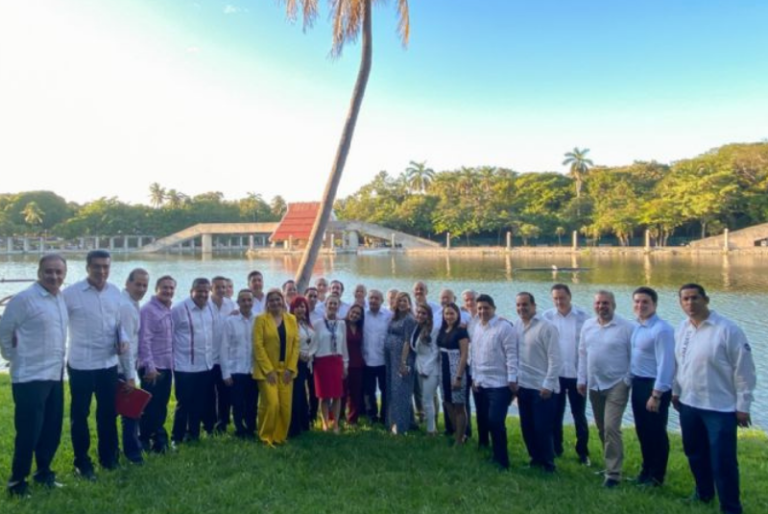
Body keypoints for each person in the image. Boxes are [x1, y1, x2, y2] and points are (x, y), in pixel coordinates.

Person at [673, 284, 756, 514]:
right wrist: (676, 391)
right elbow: (679, 364)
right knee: (695, 454)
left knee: (723, 461)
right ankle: (703, 493)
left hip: (719, 408)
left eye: (695, 298)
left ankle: (730, 506)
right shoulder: (682, 329)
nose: (690, 303)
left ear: (706, 299)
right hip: (689, 404)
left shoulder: (728, 330)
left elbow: (745, 370)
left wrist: (743, 406)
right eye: (685, 299)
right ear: (680, 303)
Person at [0, 254, 68, 496]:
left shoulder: (59, 297)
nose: (54, 276)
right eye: (49, 271)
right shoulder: (24, 299)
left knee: (51, 428)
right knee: (29, 432)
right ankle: (17, 482)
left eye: (59, 272)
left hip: (54, 374)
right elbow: (4, 330)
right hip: (29, 377)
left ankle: (44, 473)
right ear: (39, 272)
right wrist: (14, 357)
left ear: (64, 274)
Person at [64, 250, 125, 479]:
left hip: (108, 363)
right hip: (81, 364)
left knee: (108, 413)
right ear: (87, 267)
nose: (101, 271)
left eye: (106, 267)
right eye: (97, 266)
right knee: (80, 415)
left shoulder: (115, 292)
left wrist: (124, 341)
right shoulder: (70, 294)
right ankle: (82, 462)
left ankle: (109, 458)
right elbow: (56, 323)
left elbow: (119, 324)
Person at [577, 290, 634, 488]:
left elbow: (633, 356)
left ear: (614, 305)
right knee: (602, 427)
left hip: (617, 383)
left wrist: (627, 380)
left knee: (611, 427)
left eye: (606, 303)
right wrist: (581, 379)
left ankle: (613, 474)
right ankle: (611, 462)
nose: (601, 307)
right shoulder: (588, 325)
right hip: (594, 383)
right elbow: (583, 353)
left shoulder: (626, 327)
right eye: (598, 303)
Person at [630, 286, 675, 487]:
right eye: (637, 302)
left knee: (656, 432)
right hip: (638, 384)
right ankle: (646, 470)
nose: (640, 305)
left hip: (654, 387)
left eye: (645, 302)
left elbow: (666, 365)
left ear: (654, 305)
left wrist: (656, 395)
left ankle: (657, 476)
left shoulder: (662, 330)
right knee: (642, 431)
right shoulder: (638, 326)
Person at [513, 292, 562, 473]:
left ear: (534, 306)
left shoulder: (547, 327)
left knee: (542, 428)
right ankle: (535, 458)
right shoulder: (517, 325)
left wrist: (548, 384)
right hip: (523, 385)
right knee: (527, 426)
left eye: (525, 304)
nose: (521, 308)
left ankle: (548, 463)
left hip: (542, 388)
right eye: (518, 305)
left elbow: (556, 359)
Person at [542, 283, 590, 465]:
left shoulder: (583, 317)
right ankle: (557, 448)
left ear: (569, 296)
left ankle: (583, 452)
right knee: (555, 414)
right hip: (556, 375)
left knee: (579, 415)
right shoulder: (546, 317)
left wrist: (584, 376)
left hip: (577, 375)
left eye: (562, 298)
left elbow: (587, 348)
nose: (559, 301)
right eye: (555, 298)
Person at [470, 294, 517, 470]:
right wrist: (474, 377)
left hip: (500, 384)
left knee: (496, 421)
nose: (483, 311)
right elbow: (474, 355)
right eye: (480, 308)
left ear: (494, 309)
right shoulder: (477, 327)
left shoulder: (504, 328)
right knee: (485, 420)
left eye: (486, 308)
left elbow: (512, 355)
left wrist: (512, 379)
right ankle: (492, 453)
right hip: (481, 382)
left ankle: (503, 460)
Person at [171, 278, 215, 445]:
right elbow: (170, 336)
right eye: (200, 291)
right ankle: (177, 437)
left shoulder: (210, 307)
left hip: (204, 364)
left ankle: (193, 434)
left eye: (206, 291)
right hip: (184, 366)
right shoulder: (179, 309)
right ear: (192, 291)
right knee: (184, 403)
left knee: (199, 402)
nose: (203, 294)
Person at [253, 289, 300, 445]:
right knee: (272, 404)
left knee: (285, 407)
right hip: (267, 371)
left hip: (286, 370)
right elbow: (258, 346)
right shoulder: (261, 320)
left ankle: (279, 437)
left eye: (278, 299)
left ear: (282, 301)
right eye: (271, 300)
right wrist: (268, 370)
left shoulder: (292, 319)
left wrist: (291, 369)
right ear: (267, 303)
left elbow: (296, 345)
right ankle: (265, 437)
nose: (275, 303)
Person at [137, 275, 176, 454]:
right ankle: (145, 441)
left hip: (166, 366)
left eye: (171, 288)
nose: (168, 291)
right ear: (156, 289)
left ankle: (157, 442)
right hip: (153, 368)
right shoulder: (148, 310)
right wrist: (150, 367)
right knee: (149, 408)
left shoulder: (167, 309)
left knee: (160, 406)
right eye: (164, 287)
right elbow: (144, 340)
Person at [118, 268, 149, 465]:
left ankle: (124, 451)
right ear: (127, 283)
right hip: (122, 367)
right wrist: (131, 376)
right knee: (130, 412)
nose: (141, 288)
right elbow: (126, 344)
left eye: (145, 285)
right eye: (137, 284)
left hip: (125, 365)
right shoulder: (126, 307)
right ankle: (133, 453)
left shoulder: (132, 303)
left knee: (127, 411)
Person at [309, 295, 348, 433]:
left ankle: (336, 423)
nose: (332, 306)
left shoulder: (342, 324)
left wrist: (345, 364)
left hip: (336, 361)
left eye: (335, 304)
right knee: (324, 395)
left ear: (338, 306)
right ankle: (325, 422)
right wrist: (309, 358)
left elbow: (344, 346)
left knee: (337, 395)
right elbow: (312, 343)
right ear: (325, 305)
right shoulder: (317, 324)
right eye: (330, 303)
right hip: (322, 362)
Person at [221, 289, 257, 439]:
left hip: (253, 369)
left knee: (252, 401)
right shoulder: (230, 321)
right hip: (236, 369)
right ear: (238, 303)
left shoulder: (259, 320)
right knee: (237, 402)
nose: (247, 303)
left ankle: (251, 427)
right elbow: (224, 348)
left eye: (249, 300)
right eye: (243, 300)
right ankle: (239, 429)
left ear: (253, 302)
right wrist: (226, 373)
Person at [401, 303, 441, 435]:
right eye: (418, 312)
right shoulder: (416, 327)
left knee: (428, 399)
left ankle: (431, 431)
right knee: (424, 398)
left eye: (423, 313)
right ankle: (432, 427)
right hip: (419, 365)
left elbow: (435, 352)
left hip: (431, 368)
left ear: (428, 315)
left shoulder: (433, 329)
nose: (420, 315)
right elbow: (413, 347)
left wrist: (427, 369)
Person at [437, 303, 470, 445]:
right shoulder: (443, 329)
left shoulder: (461, 331)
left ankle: (460, 438)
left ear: (457, 315)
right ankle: (457, 433)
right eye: (446, 314)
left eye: (452, 314)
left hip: (456, 370)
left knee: (459, 405)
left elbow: (464, 355)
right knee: (447, 403)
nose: (449, 316)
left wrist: (458, 377)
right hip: (442, 370)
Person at [384, 292, 417, 435]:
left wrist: (403, 363)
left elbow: (407, 342)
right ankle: (395, 421)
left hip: (404, 359)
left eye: (405, 301)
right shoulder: (395, 317)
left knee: (401, 392)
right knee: (393, 390)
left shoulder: (410, 319)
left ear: (409, 303)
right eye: (400, 301)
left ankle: (401, 427)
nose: (402, 303)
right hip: (392, 358)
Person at [208, 276, 236, 435]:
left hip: (225, 357)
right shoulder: (206, 305)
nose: (221, 290)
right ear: (212, 288)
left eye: (224, 287)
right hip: (208, 358)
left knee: (225, 393)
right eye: (217, 287)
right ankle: (209, 423)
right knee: (208, 394)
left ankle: (223, 423)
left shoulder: (231, 305)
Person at [362, 289, 391, 424]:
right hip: (367, 359)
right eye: (371, 298)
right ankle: (371, 416)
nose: (373, 300)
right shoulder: (363, 314)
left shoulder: (388, 315)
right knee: (369, 390)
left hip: (383, 360)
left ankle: (385, 415)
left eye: (376, 298)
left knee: (385, 390)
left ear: (382, 301)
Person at [289, 295, 315, 436]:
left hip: (308, 362)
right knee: (296, 394)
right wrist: (299, 355)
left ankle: (305, 423)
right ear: (292, 308)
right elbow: (289, 344)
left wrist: (310, 354)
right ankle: (294, 427)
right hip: (296, 362)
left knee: (303, 395)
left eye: (303, 306)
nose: (300, 309)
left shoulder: (306, 323)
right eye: (297, 306)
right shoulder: (290, 324)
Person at [344, 304, 366, 425]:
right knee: (341, 393)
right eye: (353, 312)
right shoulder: (342, 324)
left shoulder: (360, 327)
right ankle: (336, 417)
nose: (355, 315)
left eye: (358, 314)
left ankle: (352, 419)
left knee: (355, 393)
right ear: (349, 312)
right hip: (343, 362)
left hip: (357, 363)